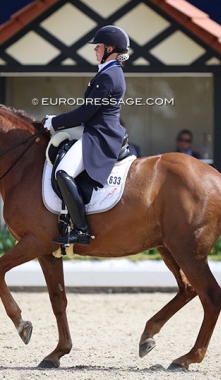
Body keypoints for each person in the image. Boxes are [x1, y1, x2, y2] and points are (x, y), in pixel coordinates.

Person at [42, 25, 130, 245]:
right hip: (96, 131)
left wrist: (55, 122)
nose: (95, 50)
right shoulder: (108, 72)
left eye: (98, 47)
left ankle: (81, 230)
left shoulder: (110, 75)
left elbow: (86, 111)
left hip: (101, 136)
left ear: (110, 48)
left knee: (62, 172)